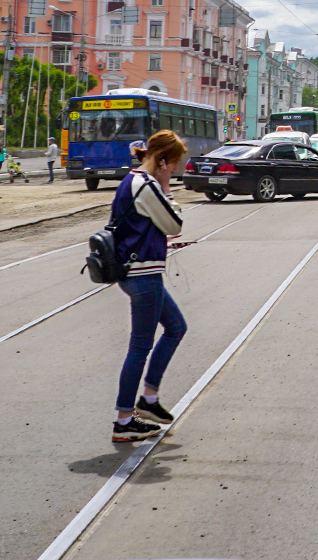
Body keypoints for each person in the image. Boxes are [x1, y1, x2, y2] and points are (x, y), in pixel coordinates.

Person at [109, 129, 189, 443]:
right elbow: (174, 224)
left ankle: (149, 400)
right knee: (140, 347)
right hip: (143, 273)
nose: (177, 169)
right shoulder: (147, 185)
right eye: (175, 163)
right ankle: (125, 419)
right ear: (163, 160)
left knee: (176, 327)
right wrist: (167, 187)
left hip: (137, 271)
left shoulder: (131, 180)